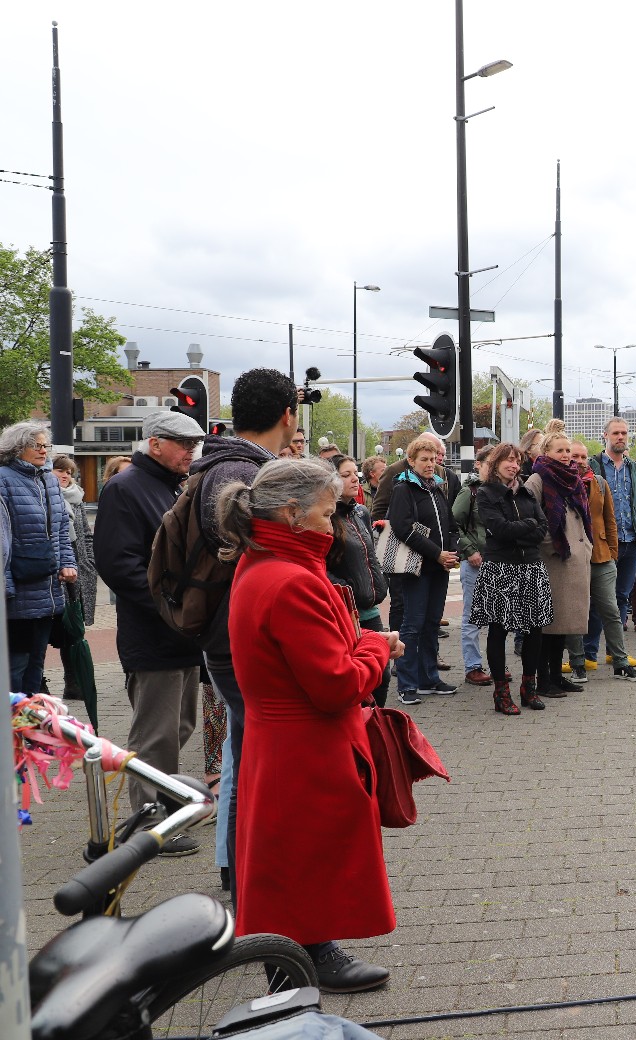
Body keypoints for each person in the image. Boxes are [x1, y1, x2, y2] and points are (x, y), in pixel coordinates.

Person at [216, 456, 398, 993]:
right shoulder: (290, 578)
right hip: (304, 741)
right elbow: (336, 684)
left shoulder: (265, 563)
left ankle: (304, 953)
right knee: (303, 853)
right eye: (325, 513)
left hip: (285, 738)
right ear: (292, 514)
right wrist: (374, 646)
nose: (332, 524)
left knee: (293, 853)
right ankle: (297, 962)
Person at [190, 367, 298, 903]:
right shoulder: (245, 472)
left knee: (243, 754)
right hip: (243, 638)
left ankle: (240, 874)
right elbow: (259, 559)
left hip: (230, 634)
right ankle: (246, 879)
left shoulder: (221, 464)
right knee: (256, 763)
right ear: (288, 415)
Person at [92, 412, 206, 854]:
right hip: (154, 631)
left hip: (183, 631)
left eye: (194, 444)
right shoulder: (125, 488)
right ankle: (149, 825)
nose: (190, 452)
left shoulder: (173, 485)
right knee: (156, 734)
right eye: (182, 444)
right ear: (154, 443)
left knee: (180, 725)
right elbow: (119, 564)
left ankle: (166, 807)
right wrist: (170, 607)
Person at [469, 441, 552, 713]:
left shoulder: (526, 492)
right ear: (496, 463)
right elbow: (500, 529)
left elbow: (542, 527)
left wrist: (524, 529)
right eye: (509, 460)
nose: (514, 465)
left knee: (535, 629)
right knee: (498, 630)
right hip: (501, 569)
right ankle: (501, 693)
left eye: (517, 461)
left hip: (531, 567)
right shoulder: (485, 493)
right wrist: (527, 526)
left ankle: (529, 688)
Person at [0, 422, 76, 693]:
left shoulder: (48, 480)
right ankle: (12, 717)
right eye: (37, 445)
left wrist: (67, 563)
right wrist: (6, 587)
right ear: (17, 448)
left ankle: (30, 716)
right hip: (17, 594)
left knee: (37, 663)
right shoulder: (3, 479)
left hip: (47, 590)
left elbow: (62, 530)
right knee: (15, 666)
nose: (44, 451)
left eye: (46, 445)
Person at [386, 437, 460, 703]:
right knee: (413, 624)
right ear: (411, 461)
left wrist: (452, 552)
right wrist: (437, 553)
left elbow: (451, 525)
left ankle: (429, 679)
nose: (430, 464)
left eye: (433, 459)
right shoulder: (403, 488)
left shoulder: (437, 488)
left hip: (439, 567)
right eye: (424, 460)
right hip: (415, 568)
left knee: (431, 623)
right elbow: (403, 528)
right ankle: (407, 684)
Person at [525, 423, 591, 694]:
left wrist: (586, 546)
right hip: (552, 560)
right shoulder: (537, 479)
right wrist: (551, 544)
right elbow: (530, 518)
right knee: (547, 625)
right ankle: (543, 680)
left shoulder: (572, 478)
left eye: (567, 450)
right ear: (546, 452)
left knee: (563, 624)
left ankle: (556, 675)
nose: (565, 455)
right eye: (559, 451)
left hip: (572, 560)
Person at [574, 439, 636, 681]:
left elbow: (610, 520)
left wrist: (612, 553)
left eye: (583, 457)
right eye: (574, 457)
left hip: (601, 556)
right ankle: (580, 662)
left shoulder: (599, 483)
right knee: (577, 611)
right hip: (572, 559)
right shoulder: (559, 485)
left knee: (612, 609)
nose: (580, 461)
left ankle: (619, 661)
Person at [326, 455, 390, 707]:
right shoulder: (326, 517)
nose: (355, 479)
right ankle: (360, 724)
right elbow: (320, 564)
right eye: (346, 475)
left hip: (369, 607)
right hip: (345, 609)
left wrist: (379, 582)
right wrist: (346, 589)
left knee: (382, 673)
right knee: (358, 677)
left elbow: (369, 555)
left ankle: (375, 723)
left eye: (355, 473)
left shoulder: (360, 512)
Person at [590, 418, 636, 634]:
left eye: (624, 433)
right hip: (605, 541)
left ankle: (615, 642)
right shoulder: (594, 465)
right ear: (605, 435)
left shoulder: (634, 468)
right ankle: (593, 643)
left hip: (631, 540)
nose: (620, 437)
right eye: (616, 433)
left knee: (622, 595)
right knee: (600, 595)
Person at [451, 447, 495, 687]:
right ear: (478, 464)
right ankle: (473, 667)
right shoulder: (470, 491)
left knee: (499, 616)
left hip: (497, 560)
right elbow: (453, 524)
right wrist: (469, 551)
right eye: (489, 462)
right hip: (476, 562)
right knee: (472, 615)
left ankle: (496, 663)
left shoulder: (502, 490)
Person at [51, 455, 98, 678]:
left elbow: (86, 535)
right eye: (60, 470)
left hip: (79, 572)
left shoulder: (77, 498)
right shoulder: (45, 495)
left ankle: (73, 679)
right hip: (56, 573)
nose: (65, 475)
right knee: (50, 628)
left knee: (73, 628)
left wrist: (89, 561)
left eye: (69, 472)